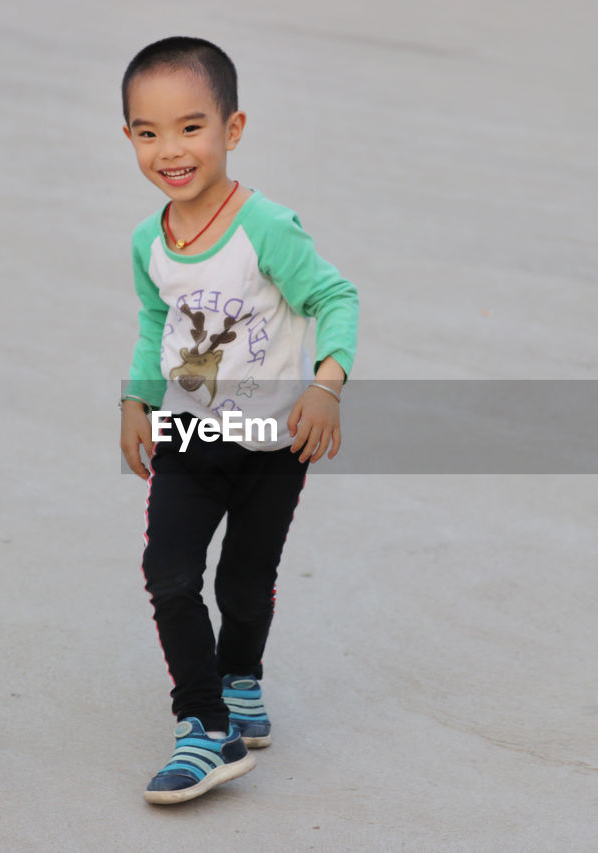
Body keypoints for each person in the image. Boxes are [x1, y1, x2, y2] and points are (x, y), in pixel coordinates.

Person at [117, 37, 359, 805]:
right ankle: (203, 723)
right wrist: (136, 398)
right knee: (170, 575)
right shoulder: (148, 242)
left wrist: (328, 383)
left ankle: (242, 677)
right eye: (148, 132)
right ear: (128, 137)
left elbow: (336, 298)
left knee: (246, 581)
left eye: (191, 127)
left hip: (272, 442)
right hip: (190, 436)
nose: (170, 150)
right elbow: (157, 321)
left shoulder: (265, 228)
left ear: (233, 127)